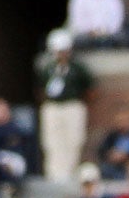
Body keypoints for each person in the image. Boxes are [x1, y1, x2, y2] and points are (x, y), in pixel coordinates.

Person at [36, 30, 94, 182]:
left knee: (74, 139)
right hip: (53, 107)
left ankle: (70, 171)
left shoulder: (77, 68)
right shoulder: (48, 68)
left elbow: (89, 89)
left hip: (72, 105)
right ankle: (54, 174)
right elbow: (40, 88)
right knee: (52, 141)